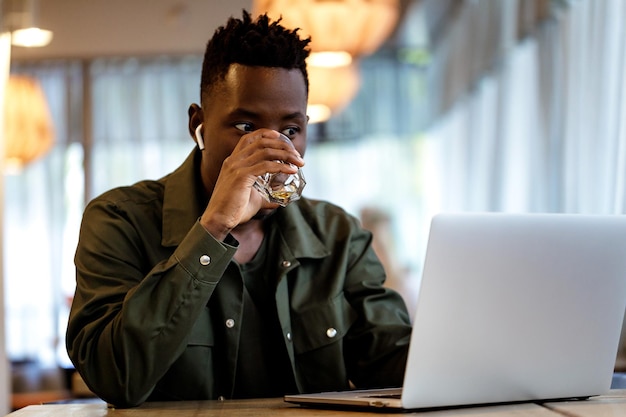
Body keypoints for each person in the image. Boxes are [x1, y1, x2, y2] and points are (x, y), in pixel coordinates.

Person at [66, 10, 412, 408]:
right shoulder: (119, 220)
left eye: (291, 130)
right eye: (246, 127)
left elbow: (395, 365)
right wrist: (214, 228)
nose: (271, 149)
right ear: (198, 125)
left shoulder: (338, 234)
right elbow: (115, 377)